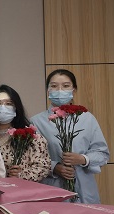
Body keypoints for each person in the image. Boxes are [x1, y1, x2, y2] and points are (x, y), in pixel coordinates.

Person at [31, 69, 109, 203]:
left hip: (84, 190)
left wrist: (83, 159)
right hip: (52, 189)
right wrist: (55, 167)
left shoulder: (87, 118)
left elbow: (102, 154)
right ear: (48, 90)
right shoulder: (36, 122)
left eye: (66, 86)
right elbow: (32, 159)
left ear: (74, 90)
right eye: (54, 86)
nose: (60, 90)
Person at [0, 84, 50, 182]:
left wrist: (21, 175)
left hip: (20, 189)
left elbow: (43, 168)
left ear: (16, 107)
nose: (3, 107)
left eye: (9, 103)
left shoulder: (31, 137)